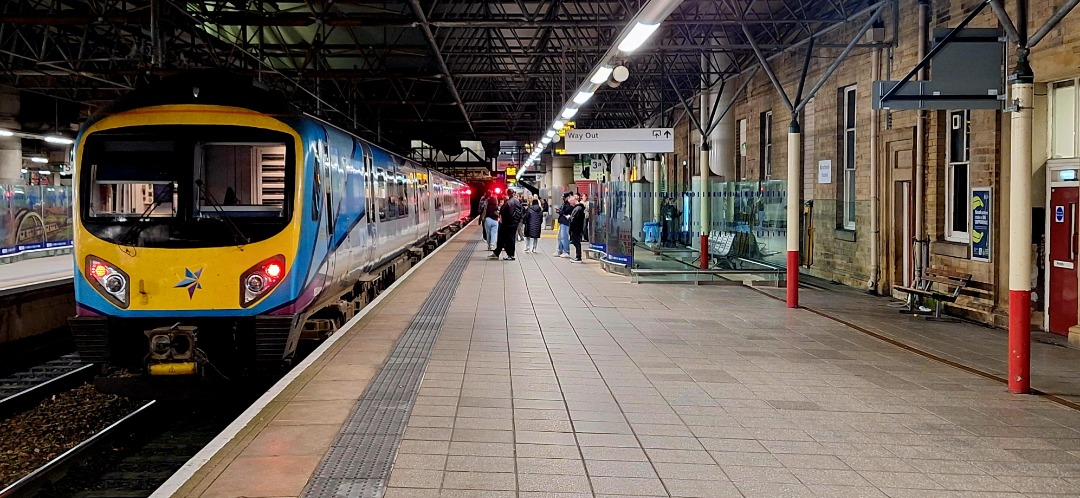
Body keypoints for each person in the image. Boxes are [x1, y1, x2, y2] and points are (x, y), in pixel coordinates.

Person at [491, 193, 522, 260]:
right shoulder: (517, 201)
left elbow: (507, 213)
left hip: (508, 224)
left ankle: (510, 255)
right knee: (505, 238)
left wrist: (500, 214)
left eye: (504, 195)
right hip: (513, 223)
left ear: (507, 195)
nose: (503, 197)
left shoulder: (508, 203)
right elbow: (520, 212)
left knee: (508, 239)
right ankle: (497, 252)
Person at [567, 194, 586, 263]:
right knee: (576, 242)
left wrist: (570, 218)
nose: (570, 204)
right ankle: (578, 256)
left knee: (577, 242)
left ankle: (578, 257)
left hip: (576, 228)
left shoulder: (578, 209)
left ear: (573, 201)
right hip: (577, 228)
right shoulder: (578, 208)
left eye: (570, 203)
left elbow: (575, 219)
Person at [555, 192, 572, 257]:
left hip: (565, 222)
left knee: (564, 237)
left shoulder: (568, 205)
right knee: (560, 237)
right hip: (562, 222)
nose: (563, 199)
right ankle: (560, 250)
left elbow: (565, 211)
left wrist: (560, 211)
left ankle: (566, 251)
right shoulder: (564, 204)